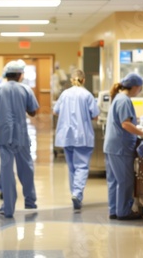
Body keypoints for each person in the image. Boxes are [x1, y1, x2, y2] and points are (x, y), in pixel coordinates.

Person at [0, 60, 40, 218]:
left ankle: (8, 209)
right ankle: (30, 202)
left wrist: (1, 115)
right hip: (21, 135)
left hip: (3, 135)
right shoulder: (26, 89)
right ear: (19, 75)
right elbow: (33, 112)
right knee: (26, 168)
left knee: (6, 171)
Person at [103, 73, 143, 220]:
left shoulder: (118, 98)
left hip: (112, 146)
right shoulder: (124, 100)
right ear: (136, 87)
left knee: (114, 180)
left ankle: (114, 210)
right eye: (140, 89)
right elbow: (125, 124)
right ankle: (124, 212)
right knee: (125, 181)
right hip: (120, 147)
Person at [53, 69, 99, 211]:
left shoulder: (64, 94)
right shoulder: (87, 95)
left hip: (67, 136)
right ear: (83, 80)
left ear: (71, 80)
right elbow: (95, 115)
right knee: (82, 166)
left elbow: (56, 111)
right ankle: (77, 194)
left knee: (72, 167)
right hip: (82, 135)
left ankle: (75, 193)